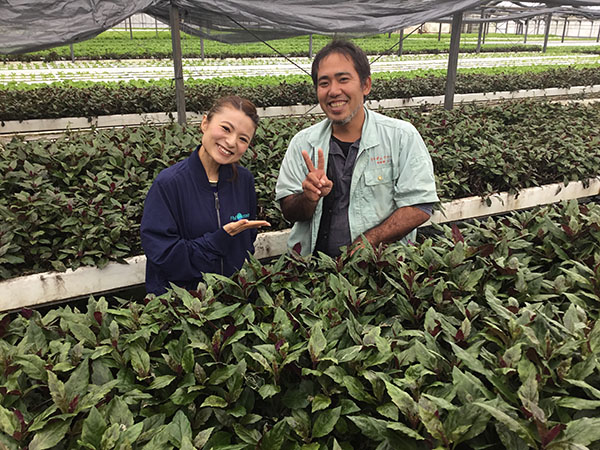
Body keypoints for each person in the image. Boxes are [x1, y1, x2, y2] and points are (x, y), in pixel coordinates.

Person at [275, 39, 438, 257]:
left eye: (343, 79)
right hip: (312, 269)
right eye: (324, 83)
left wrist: (368, 242)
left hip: (380, 268)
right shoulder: (302, 143)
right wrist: (308, 197)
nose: (333, 91)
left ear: (365, 85)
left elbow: (419, 206)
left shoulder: (401, 136)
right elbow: (289, 211)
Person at [141, 96, 270, 295]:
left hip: (232, 301)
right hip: (183, 304)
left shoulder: (244, 181)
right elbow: (163, 256)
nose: (231, 142)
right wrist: (218, 240)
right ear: (205, 123)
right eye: (226, 128)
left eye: (243, 139)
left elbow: (246, 244)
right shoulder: (168, 184)